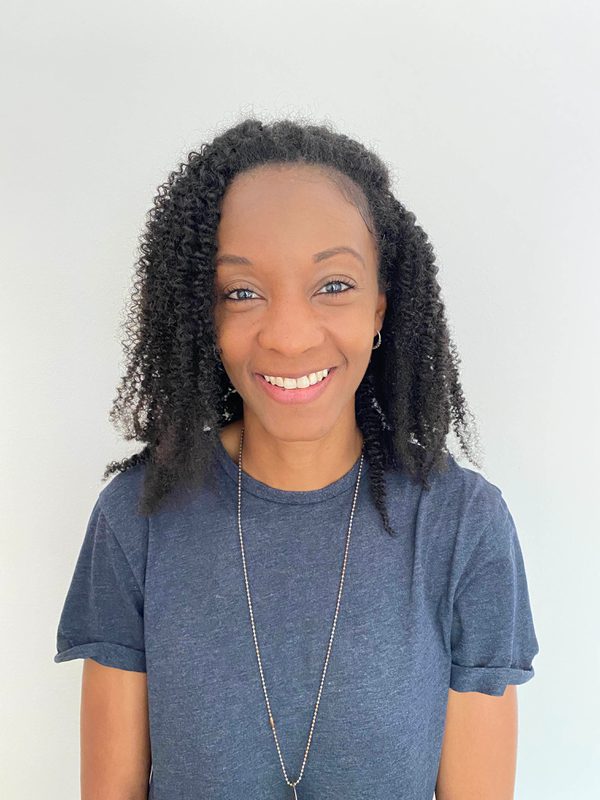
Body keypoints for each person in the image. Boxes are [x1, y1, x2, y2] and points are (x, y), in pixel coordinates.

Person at [53, 118, 539, 800]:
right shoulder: (138, 517)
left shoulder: (462, 525)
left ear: (381, 307)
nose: (287, 336)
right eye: (242, 293)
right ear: (204, 316)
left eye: (333, 285)